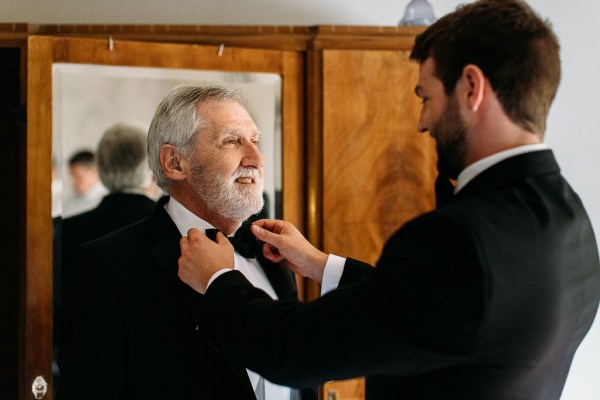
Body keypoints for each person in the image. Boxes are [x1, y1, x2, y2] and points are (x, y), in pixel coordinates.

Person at [177, 1, 600, 399]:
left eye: (426, 98)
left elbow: (295, 352)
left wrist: (219, 281)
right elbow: (440, 306)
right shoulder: (570, 218)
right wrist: (320, 265)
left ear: (472, 87)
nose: (422, 123)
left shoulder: (457, 238)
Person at [57, 84, 314, 400]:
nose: (257, 159)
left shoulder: (275, 253)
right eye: (232, 141)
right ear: (174, 163)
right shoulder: (105, 266)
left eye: (256, 141)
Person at [62, 149, 107, 217]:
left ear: (95, 173)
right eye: (72, 176)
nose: (73, 182)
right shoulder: (70, 200)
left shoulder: (106, 201)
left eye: (78, 177)